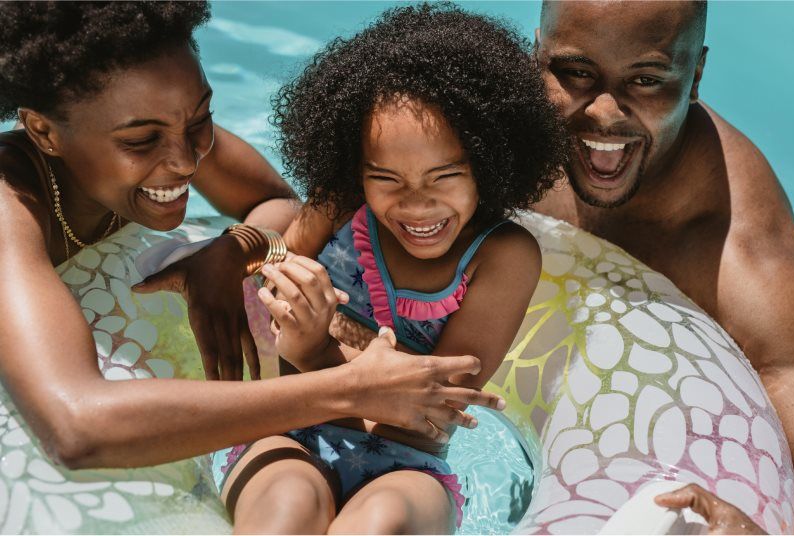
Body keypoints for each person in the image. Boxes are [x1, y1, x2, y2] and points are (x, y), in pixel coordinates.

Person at [0, 1, 504, 474]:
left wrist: (227, 252)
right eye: (140, 140)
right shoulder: (11, 206)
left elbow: (279, 205)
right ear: (44, 133)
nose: (186, 159)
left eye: (200, 119)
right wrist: (350, 388)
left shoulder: (171, 130)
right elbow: (76, 428)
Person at [532, 1, 794, 533]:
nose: (605, 112)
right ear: (536, 51)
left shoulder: (736, 246)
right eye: (577, 72)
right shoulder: (488, 133)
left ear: (697, 74)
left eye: (648, 79)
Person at [214, 5, 568, 533]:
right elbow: (269, 292)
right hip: (288, 428)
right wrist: (284, 305)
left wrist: (315, 346)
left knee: (381, 521)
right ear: (355, 168)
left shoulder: (504, 255)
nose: (416, 204)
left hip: (409, 463)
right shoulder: (339, 203)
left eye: (444, 176)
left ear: (490, 162)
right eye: (386, 178)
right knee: (286, 506)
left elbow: (435, 404)